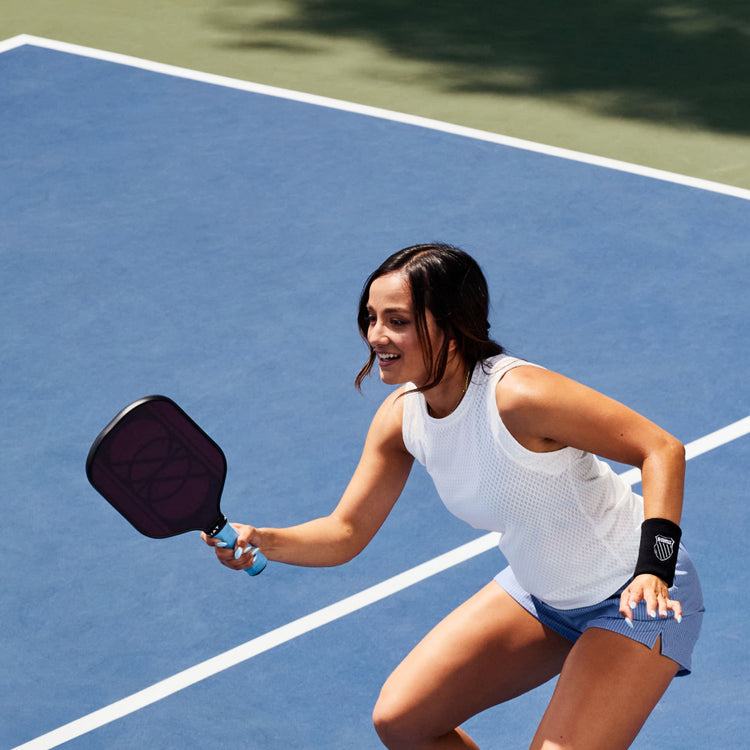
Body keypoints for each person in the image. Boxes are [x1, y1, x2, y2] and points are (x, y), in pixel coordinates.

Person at [203, 243, 703, 749]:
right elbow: (346, 532)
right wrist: (262, 539)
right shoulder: (401, 417)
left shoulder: (519, 396)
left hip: (635, 597)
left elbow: (660, 449)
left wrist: (653, 569)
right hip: (541, 594)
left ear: (449, 323)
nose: (377, 335)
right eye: (371, 317)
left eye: (396, 320)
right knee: (402, 722)